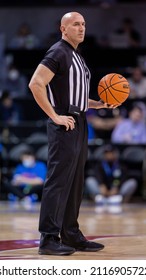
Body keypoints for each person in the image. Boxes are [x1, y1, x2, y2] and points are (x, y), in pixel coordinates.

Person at [29, 11, 118, 256]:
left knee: (75, 181)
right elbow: (36, 83)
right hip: (63, 124)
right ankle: (48, 238)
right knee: (58, 181)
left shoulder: (76, 55)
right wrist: (54, 116)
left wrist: (97, 104)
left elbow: (74, 96)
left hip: (79, 122)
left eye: (84, 24)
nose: (81, 28)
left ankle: (71, 234)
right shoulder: (58, 51)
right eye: (75, 24)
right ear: (63, 28)